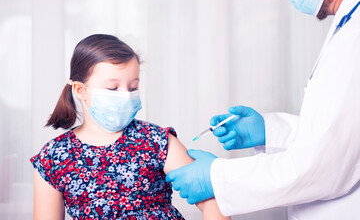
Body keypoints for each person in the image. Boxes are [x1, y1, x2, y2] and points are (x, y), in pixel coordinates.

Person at [166, 0, 360, 219]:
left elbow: (324, 167)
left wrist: (217, 177)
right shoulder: (349, 23)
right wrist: (270, 131)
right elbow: (342, 136)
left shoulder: (355, 37)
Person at [30, 34, 229, 220]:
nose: (126, 95)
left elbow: (213, 201)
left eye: (133, 87)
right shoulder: (54, 157)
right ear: (81, 90)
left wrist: (216, 182)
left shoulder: (157, 140)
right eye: (113, 88)